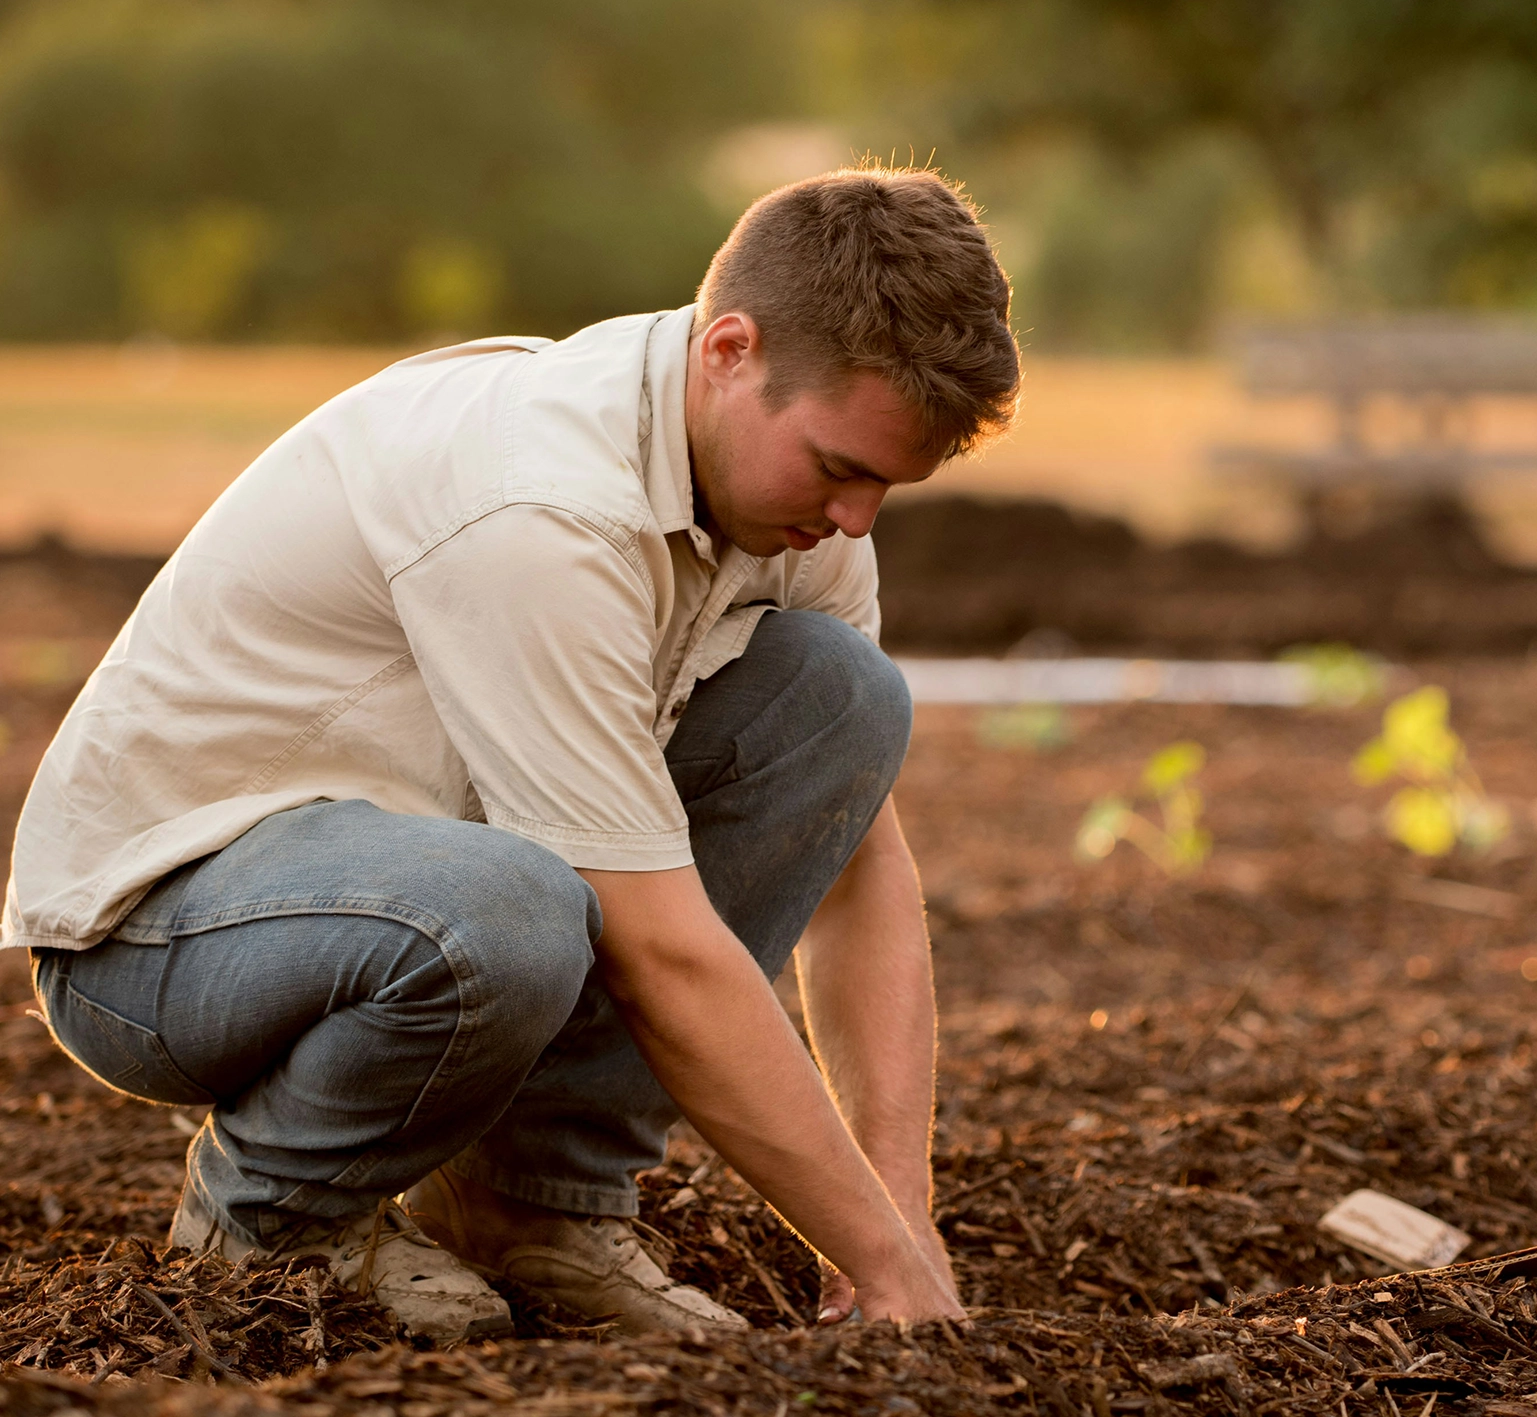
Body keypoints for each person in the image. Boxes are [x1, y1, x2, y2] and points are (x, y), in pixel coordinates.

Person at [3, 167, 1020, 1342]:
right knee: (514, 909)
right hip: (159, 934)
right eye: (842, 467)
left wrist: (899, 1218)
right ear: (730, 350)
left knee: (843, 699)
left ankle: (531, 1204)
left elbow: (855, 862)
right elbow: (664, 956)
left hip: (411, 873)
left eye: (888, 484)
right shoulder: (538, 504)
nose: (858, 520)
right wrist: (876, 1259)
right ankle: (271, 1220)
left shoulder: (789, 511)